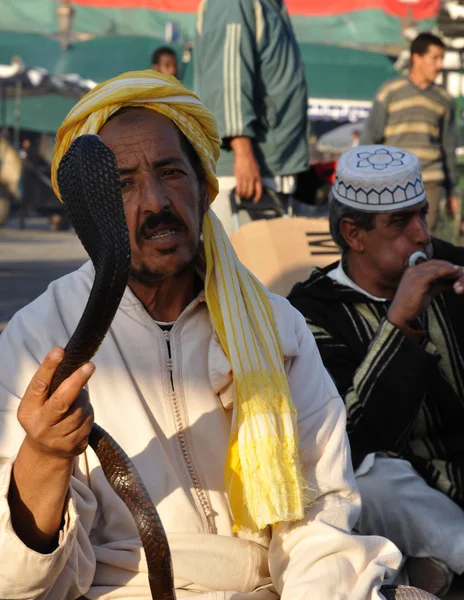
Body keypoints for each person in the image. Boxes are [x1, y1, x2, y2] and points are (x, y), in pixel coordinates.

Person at [0, 72, 431, 600]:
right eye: (123, 184)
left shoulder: (275, 327)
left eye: (170, 173)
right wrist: (44, 455)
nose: (155, 201)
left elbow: (320, 519)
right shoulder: (39, 337)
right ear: (92, 214)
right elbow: (16, 582)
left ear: (203, 186)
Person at [288, 144, 464, 598]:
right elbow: (349, 439)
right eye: (400, 223)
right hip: (410, 487)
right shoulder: (309, 313)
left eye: (422, 216)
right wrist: (400, 324)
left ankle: (428, 569)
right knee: (369, 478)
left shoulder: (453, 267)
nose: (422, 235)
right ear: (354, 233)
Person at [194, 0, 309, 237]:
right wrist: (243, 151)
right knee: (242, 266)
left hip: (267, 165)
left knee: (267, 268)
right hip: (243, 172)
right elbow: (228, 76)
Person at [360, 33, 459, 237]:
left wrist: (453, 193)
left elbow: (448, 148)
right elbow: (370, 139)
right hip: (392, 183)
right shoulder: (390, 91)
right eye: (435, 58)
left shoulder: (444, 99)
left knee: (422, 240)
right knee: (390, 240)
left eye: (442, 58)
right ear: (416, 58)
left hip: (429, 183)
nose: (439, 65)